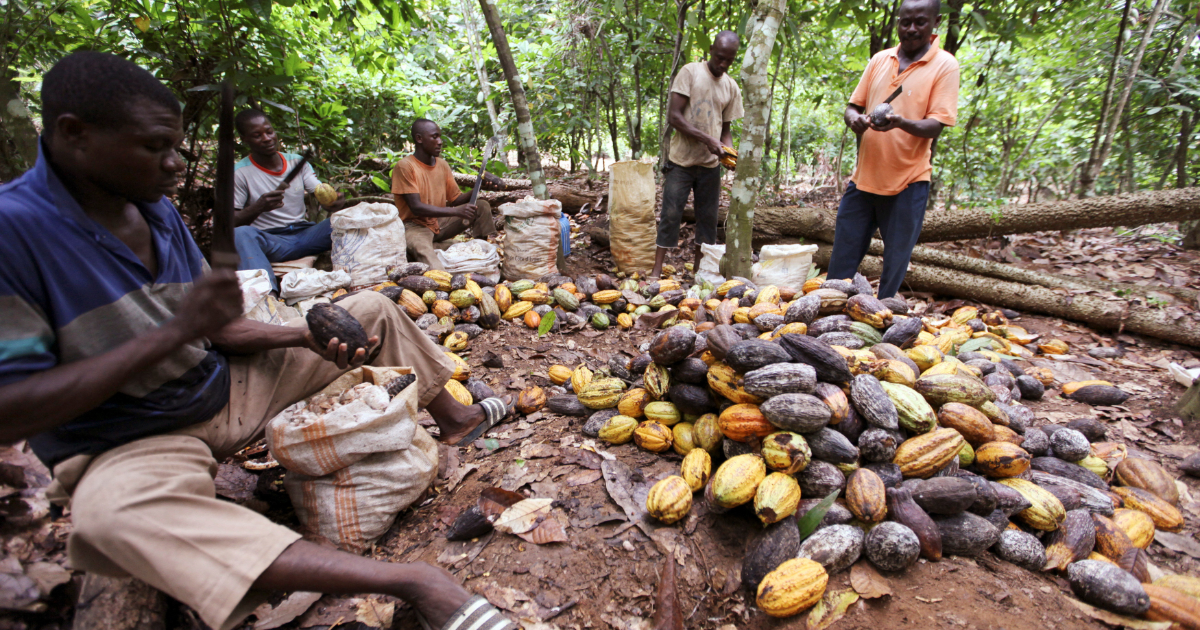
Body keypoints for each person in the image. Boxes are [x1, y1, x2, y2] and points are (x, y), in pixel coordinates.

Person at [0, 52, 518, 630]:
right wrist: (178, 329)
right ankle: (413, 580)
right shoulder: (13, 232)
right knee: (112, 520)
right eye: (155, 148)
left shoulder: (156, 211)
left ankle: (456, 418)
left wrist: (304, 334)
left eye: (176, 146)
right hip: (132, 435)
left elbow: (219, 331)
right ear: (75, 134)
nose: (174, 165)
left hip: (220, 385)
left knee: (372, 308)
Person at [826, 0, 959, 298]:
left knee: (894, 265)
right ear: (898, 22)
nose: (911, 29)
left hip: (907, 183)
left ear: (935, 22)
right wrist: (854, 120)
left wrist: (900, 122)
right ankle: (827, 323)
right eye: (905, 22)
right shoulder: (879, 60)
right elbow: (852, 106)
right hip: (863, 180)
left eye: (920, 22)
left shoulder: (945, 65)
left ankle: (882, 321)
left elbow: (937, 125)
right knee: (840, 265)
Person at [651, 30, 744, 280]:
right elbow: (674, 116)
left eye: (729, 60)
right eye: (720, 57)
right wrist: (708, 140)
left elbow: (725, 131)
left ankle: (698, 272)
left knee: (707, 220)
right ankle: (656, 270)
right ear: (711, 50)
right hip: (681, 160)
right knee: (670, 214)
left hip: (709, 165)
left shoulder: (731, 87)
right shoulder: (691, 72)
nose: (723, 64)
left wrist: (729, 154)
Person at [232, 108, 342, 292]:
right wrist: (259, 207)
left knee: (350, 217)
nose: (266, 138)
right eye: (257, 135)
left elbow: (320, 192)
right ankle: (266, 299)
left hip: (305, 235)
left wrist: (333, 203)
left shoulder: (296, 162)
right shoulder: (239, 173)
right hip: (272, 241)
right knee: (241, 235)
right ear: (244, 140)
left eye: (269, 131)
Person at [392, 119, 499, 270]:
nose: (440, 142)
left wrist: (477, 186)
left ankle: (481, 253)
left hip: (439, 222)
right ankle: (440, 271)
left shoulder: (442, 165)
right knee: (426, 254)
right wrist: (456, 211)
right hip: (414, 226)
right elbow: (416, 207)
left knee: (481, 205)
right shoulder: (405, 166)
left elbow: (456, 199)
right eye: (434, 137)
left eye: (440, 137)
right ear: (419, 139)